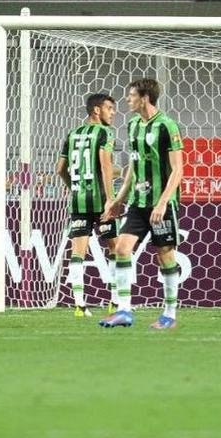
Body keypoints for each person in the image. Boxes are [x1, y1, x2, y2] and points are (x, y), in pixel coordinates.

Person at [99, 78, 186, 330]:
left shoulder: (167, 125)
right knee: (122, 249)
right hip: (138, 202)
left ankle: (169, 315)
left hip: (162, 204)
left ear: (145, 97)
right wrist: (119, 199)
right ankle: (124, 311)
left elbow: (178, 169)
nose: (127, 99)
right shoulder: (133, 124)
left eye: (132, 95)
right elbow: (133, 166)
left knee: (165, 254)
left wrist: (162, 203)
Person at [54, 92, 118, 318]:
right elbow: (106, 165)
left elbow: (59, 169)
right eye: (109, 108)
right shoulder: (105, 133)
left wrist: (73, 187)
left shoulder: (72, 134)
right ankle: (115, 302)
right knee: (115, 249)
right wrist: (111, 199)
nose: (113, 113)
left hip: (78, 201)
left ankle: (79, 305)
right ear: (97, 110)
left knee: (77, 253)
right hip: (100, 200)